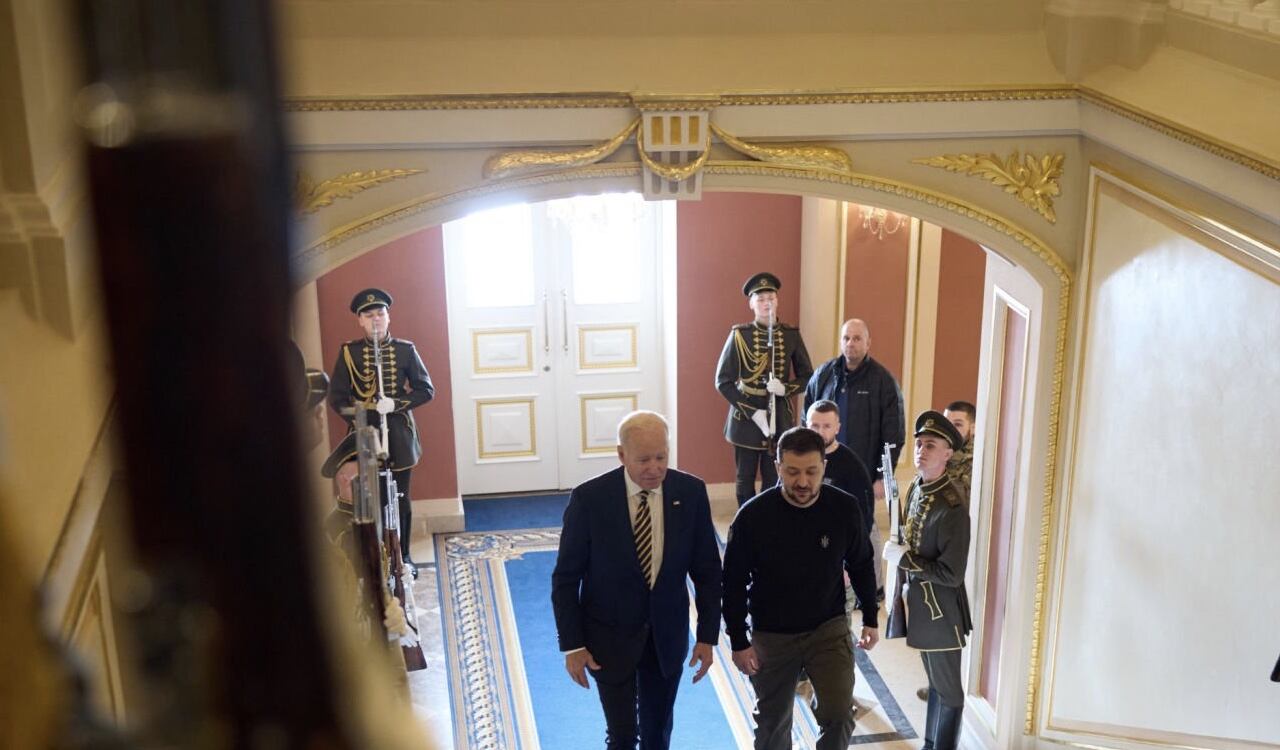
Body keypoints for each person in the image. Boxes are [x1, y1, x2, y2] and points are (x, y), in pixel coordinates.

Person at [550, 411, 722, 750]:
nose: (654, 467)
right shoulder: (590, 499)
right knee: (622, 736)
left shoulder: (690, 492)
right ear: (621, 455)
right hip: (607, 640)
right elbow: (566, 579)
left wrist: (707, 636)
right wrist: (573, 645)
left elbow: (707, 572)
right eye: (643, 459)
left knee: (657, 736)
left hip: (666, 638)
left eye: (662, 457)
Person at [722, 427, 879, 750]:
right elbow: (733, 583)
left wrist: (871, 618)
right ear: (778, 467)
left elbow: (861, 562)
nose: (803, 482)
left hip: (829, 627)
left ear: (824, 465)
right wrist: (739, 640)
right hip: (773, 635)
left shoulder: (844, 508)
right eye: (792, 472)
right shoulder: (753, 517)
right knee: (772, 725)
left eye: (812, 471)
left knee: (839, 715)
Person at [883, 411, 972, 750]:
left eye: (930, 445)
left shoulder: (952, 507)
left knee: (950, 694)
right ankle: (930, 744)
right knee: (935, 684)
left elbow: (952, 574)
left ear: (948, 454)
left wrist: (906, 559)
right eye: (919, 444)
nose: (921, 450)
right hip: (920, 605)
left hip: (941, 612)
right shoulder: (917, 486)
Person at [327, 288, 434, 569]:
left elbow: (426, 390)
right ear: (360, 320)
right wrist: (361, 416)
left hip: (398, 433)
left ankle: (404, 555)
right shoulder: (349, 353)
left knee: (400, 497)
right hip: (363, 436)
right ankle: (373, 555)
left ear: (388, 317)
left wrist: (397, 403)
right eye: (369, 315)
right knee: (367, 498)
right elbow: (337, 398)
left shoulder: (405, 350)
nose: (376, 320)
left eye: (380, 314)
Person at [804, 317, 905, 595]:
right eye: (847, 338)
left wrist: (883, 476)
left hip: (861, 472)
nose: (851, 343)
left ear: (868, 342)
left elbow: (894, 433)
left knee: (864, 526)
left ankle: (872, 588)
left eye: (857, 338)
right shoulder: (824, 374)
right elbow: (807, 416)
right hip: (824, 467)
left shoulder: (883, 381)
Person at [715, 272, 813, 506]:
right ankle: (745, 524)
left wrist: (785, 388)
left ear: (777, 300)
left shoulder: (790, 334)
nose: (766, 303)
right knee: (744, 478)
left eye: (770, 298)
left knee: (774, 477)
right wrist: (752, 412)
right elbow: (723, 381)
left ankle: (770, 523)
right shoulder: (739, 335)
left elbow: (808, 377)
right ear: (751, 304)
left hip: (779, 416)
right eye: (760, 299)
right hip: (746, 418)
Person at [943, 400, 976, 506]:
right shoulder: (935, 453)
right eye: (946, 424)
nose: (950, 429)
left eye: (957, 424)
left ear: (973, 428)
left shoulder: (979, 461)